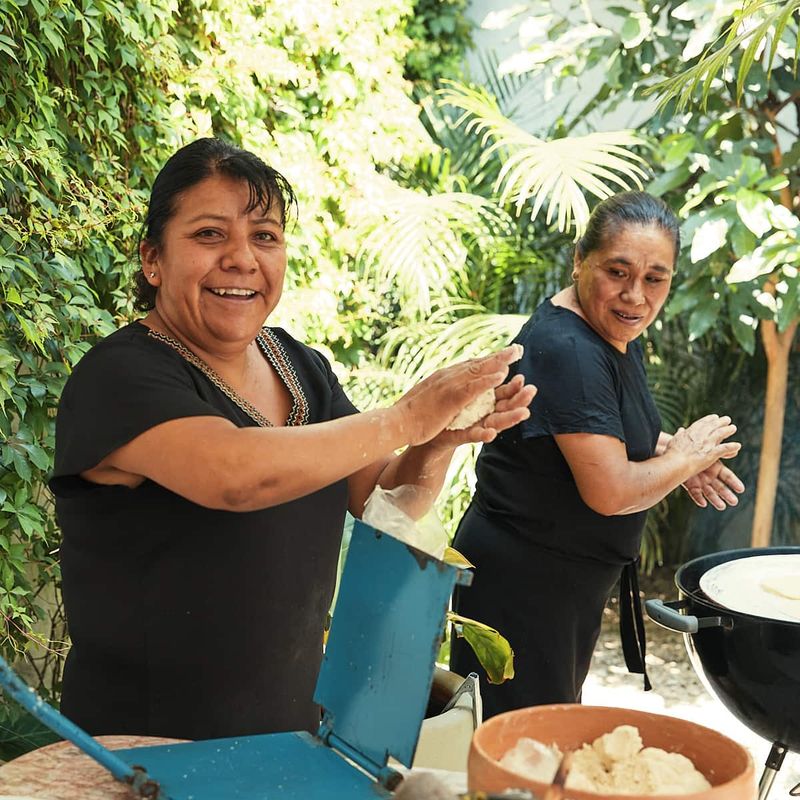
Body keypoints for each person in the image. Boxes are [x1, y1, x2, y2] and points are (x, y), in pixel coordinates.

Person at [48, 138, 536, 741]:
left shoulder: (300, 367)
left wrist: (437, 443)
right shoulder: (118, 376)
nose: (241, 259)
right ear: (153, 259)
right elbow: (233, 474)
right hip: (144, 749)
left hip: (284, 738)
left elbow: (386, 505)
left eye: (265, 236)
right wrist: (405, 417)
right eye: (209, 235)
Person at [449, 191, 744, 718]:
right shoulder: (571, 351)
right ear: (579, 259)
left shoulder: (599, 331)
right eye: (618, 271)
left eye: (656, 278)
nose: (635, 296)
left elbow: (593, 429)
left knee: (534, 738)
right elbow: (609, 491)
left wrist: (677, 454)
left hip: (550, 587)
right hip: (525, 588)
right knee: (518, 753)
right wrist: (684, 459)